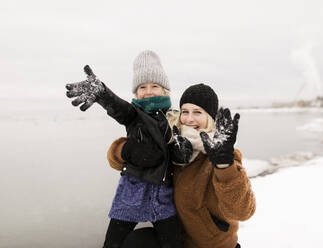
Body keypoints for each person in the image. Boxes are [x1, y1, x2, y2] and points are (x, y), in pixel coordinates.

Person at [107, 83, 256, 248]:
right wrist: (125, 150)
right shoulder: (173, 142)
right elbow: (116, 161)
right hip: (176, 240)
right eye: (185, 112)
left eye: (197, 112)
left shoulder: (222, 155)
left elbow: (242, 212)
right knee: (135, 242)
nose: (189, 119)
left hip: (213, 245)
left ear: (210, 118)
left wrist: (224, 166)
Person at [65, 50, 182, 248]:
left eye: (154, 86)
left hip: (163, 196)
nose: (148, 91)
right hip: (131, 194)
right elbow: (120, 109)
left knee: (174, 244)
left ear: (165, 90)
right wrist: (103, 94)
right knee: (112, 244)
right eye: (142, 87)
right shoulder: (134, 114)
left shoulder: (175, 118)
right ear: (136, 92)